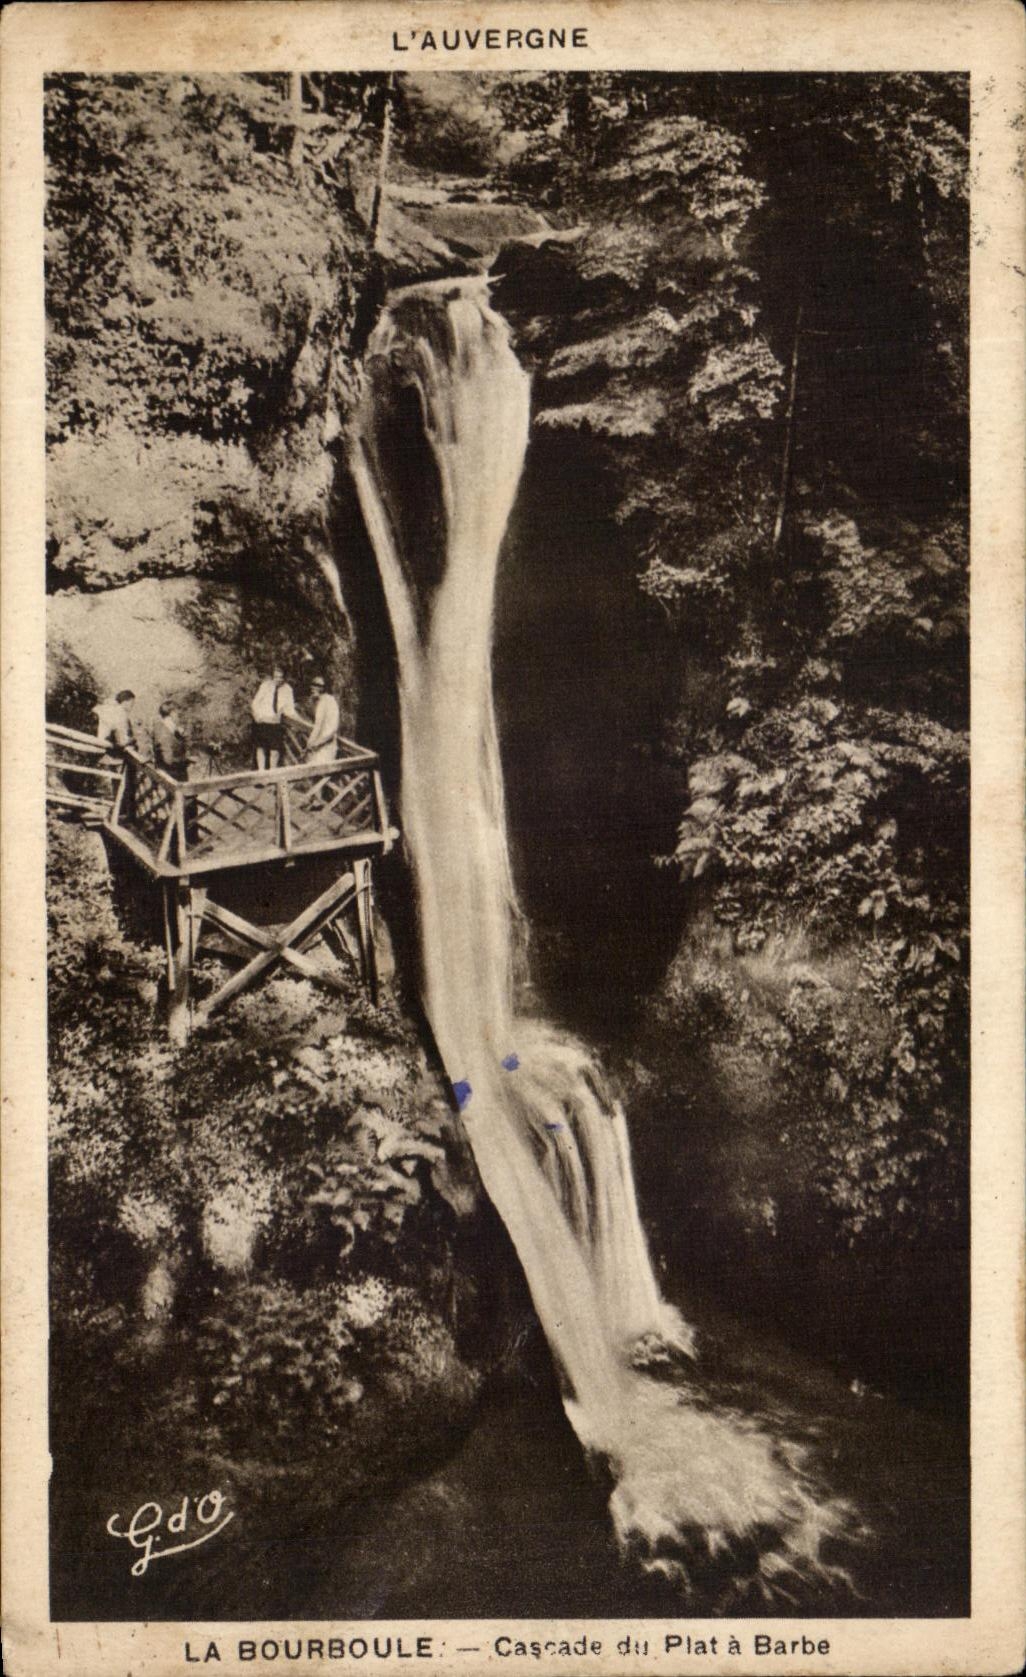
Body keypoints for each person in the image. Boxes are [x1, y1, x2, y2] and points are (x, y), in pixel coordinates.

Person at [250, 663, 300, 770]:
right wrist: (257, 716)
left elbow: (290, 709)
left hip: (275, 724)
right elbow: (255, 703)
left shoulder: (288, 689)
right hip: (262, 722)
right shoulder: (265, 686)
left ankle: (272, 775)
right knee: (261, 749)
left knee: (275, 751)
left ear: (285, 677)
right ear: (273, 675)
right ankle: (261, 775)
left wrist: (298, 721)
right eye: (276, 676)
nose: (278, 679)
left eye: (280, 677)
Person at [305, 675, 340, 766]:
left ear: (324, 688)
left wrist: (316, 743)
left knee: (321, 775)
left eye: (317, 686)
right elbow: (317, 725)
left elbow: (332, 729)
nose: (313, 688)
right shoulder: (319, 702)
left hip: (326, 747)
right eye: (312, 685)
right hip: (316, 747)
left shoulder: (330, 702)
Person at [152, 700, 190, 782]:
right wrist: (183, 762)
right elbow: (167, 756)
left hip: (173, 768)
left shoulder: (169, 726)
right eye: (178, 714)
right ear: (172, 713)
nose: (179, 717)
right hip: (171, 772)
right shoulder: (162, 729)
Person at [93, 689, 136, 756]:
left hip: (100, 739)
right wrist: (130, 741)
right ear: (125, 702)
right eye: (131, 703)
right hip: (107, 745)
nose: (132, 706)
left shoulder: (109, 708)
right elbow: (122, 738)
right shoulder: (121, 712)